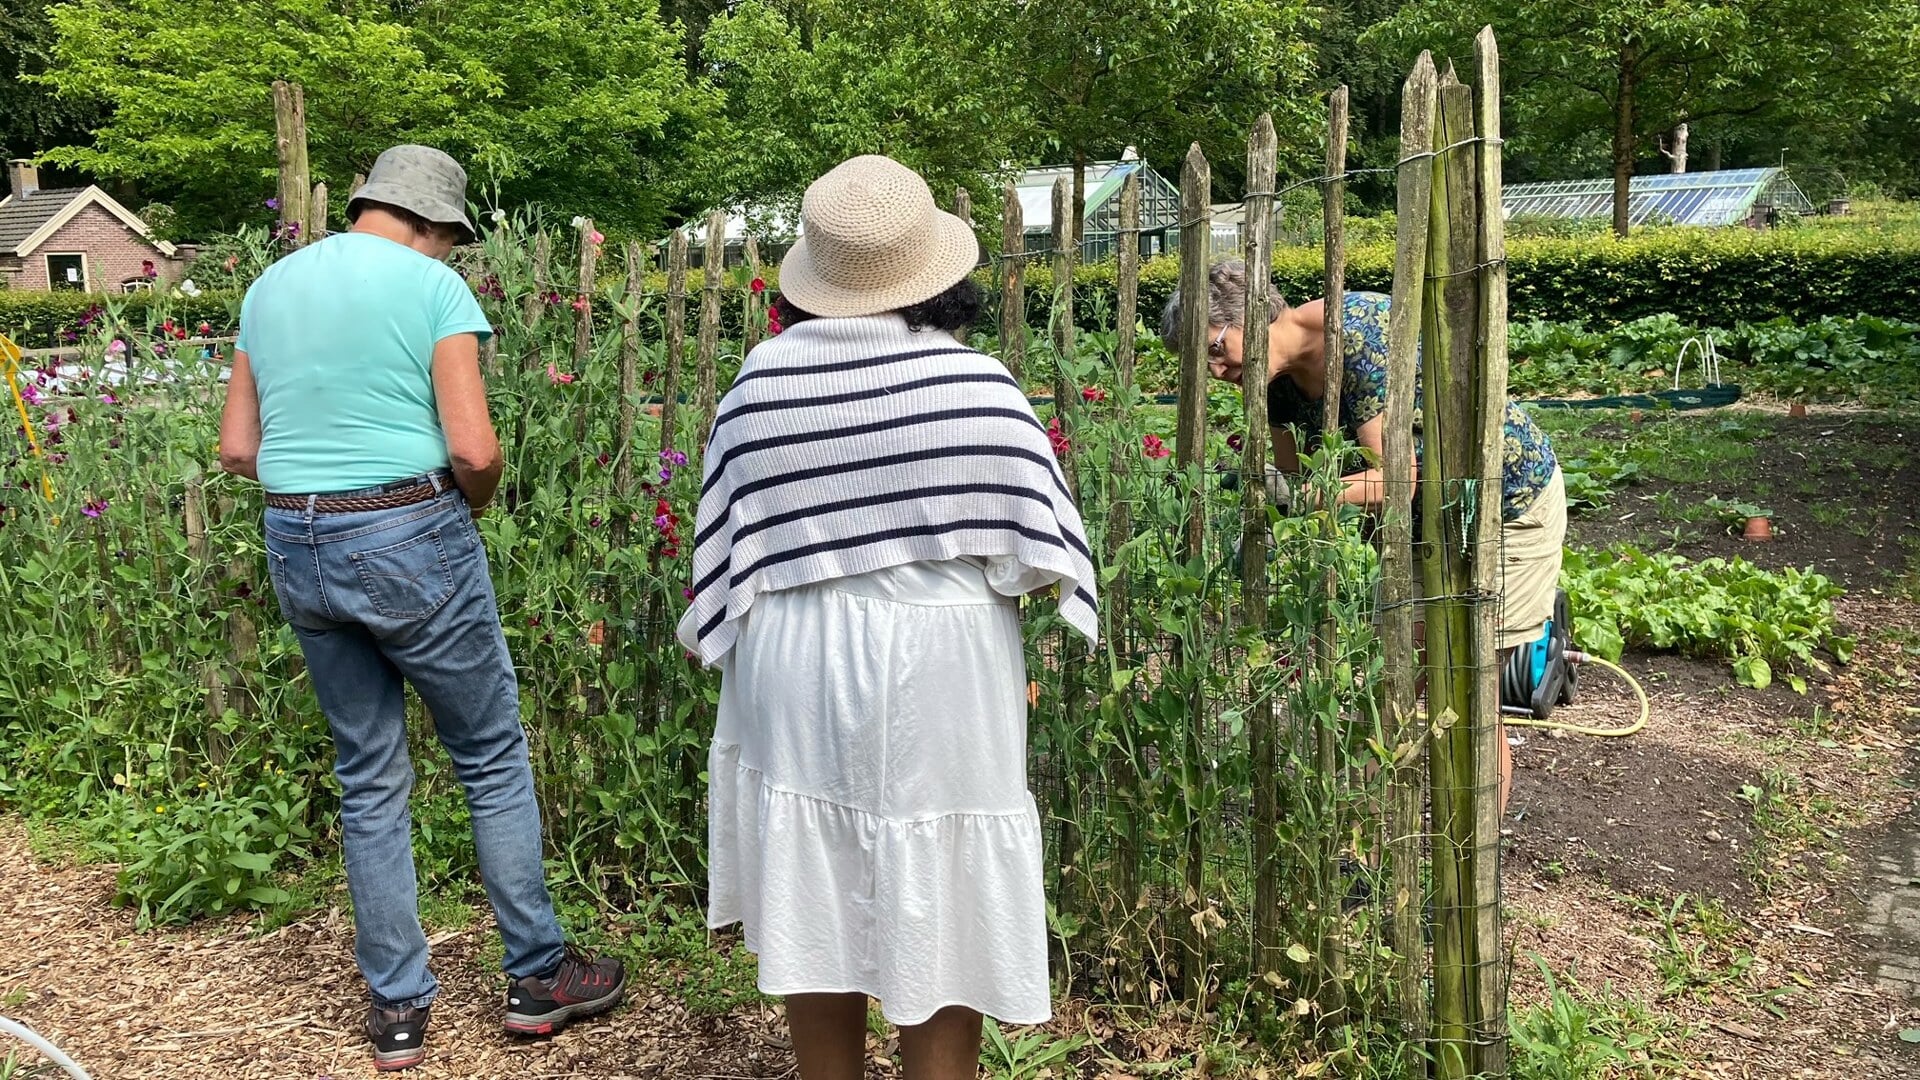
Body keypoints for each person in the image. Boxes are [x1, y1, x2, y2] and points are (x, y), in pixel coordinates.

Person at [680, 154, 1099, 1080]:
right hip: (946, 652)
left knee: (814, 888)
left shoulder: (760, 384)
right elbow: (1029, 555)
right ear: (936, 272)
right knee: (945, 898)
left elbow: (733, 548)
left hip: (795, 650)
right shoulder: (976, 386)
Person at [217, 145, 624, 1072]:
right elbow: (474, 450)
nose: (449, 253)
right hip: (408, 530)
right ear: (432, 224)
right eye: (451, 238)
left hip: (297, 538)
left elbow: (238, 448)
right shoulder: (432, 290)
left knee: (368, 774)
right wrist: (459, 513)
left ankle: (397, 1008)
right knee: (487, 752)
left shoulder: (269, 288)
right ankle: (536, 979)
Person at [1160, 260, 1565, 810]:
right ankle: (1367, 863)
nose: (1213, 370)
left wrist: (1306, 496)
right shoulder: (1272, 382)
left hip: (1501, 506)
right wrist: (1278, 522)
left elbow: (1395, 475)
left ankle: (1473, 870)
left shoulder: (1359, 335)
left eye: (1215, 348)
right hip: (1421, 525)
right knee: (1389, 690)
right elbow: (1300, 479)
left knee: (1471, 689)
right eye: (1199, 361)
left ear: (1253, 318)